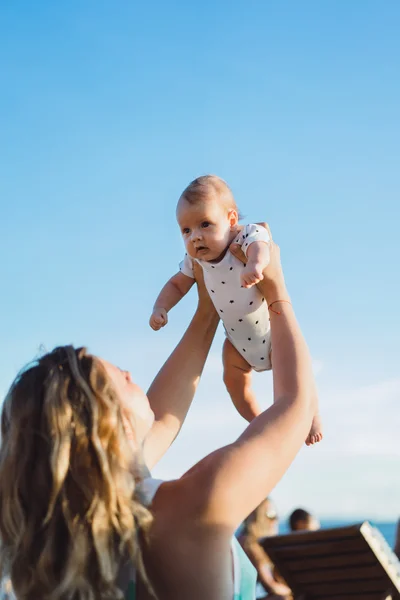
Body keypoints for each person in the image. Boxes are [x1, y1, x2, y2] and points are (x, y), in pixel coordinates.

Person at [0, 238, 317, 600]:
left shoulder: (68, 532)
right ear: (109, 421)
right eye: (122, 377)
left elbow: (164, 417)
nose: (134, 375)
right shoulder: (192, 507)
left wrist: (209, 307)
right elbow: (295, 405)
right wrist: (277, 292)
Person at [149, 175, 322, 446]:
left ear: (230, 220)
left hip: (271, 332)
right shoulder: (195, 261)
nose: (195, 237)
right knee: (232, 381)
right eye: (186, 230)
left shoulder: (244, 237)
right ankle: (257, 421)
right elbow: (176, 284)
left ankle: (312, 415)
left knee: (296, 374)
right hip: (237, 344)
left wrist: (254, 264)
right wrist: (161, 307)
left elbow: (263, 246)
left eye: (205, 224)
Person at [238, 498, 292, 600]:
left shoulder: (242, 540)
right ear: (259, 518)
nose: (275, 519)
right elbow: (271, 587)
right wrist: (295, 590)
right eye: (271, 514)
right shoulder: (251, 545)